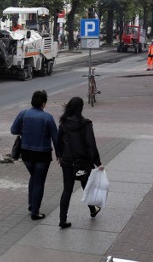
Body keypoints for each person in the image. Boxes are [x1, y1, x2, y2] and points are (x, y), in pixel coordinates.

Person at [10, 90, 59, 220]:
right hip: (42, 154)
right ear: (43, 103)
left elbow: (13, 130)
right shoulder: (48, 117)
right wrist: (60, 154)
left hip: (26, 153)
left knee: (33, 177)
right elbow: (56, 137)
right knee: (39, 181)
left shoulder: (23, 114)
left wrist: (26, 130)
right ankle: (35, 212)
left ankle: (32, 204)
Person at [56, 96, 104, 229]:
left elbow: (58, 141)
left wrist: (59, 156)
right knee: (85, 183)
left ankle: (62, 219)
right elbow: (90, 144)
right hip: (82, 161)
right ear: (80, 108)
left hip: (67, 161)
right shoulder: (85, 124)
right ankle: (92, 209)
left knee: (67, 189)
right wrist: (97, 162)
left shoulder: (63, 123)